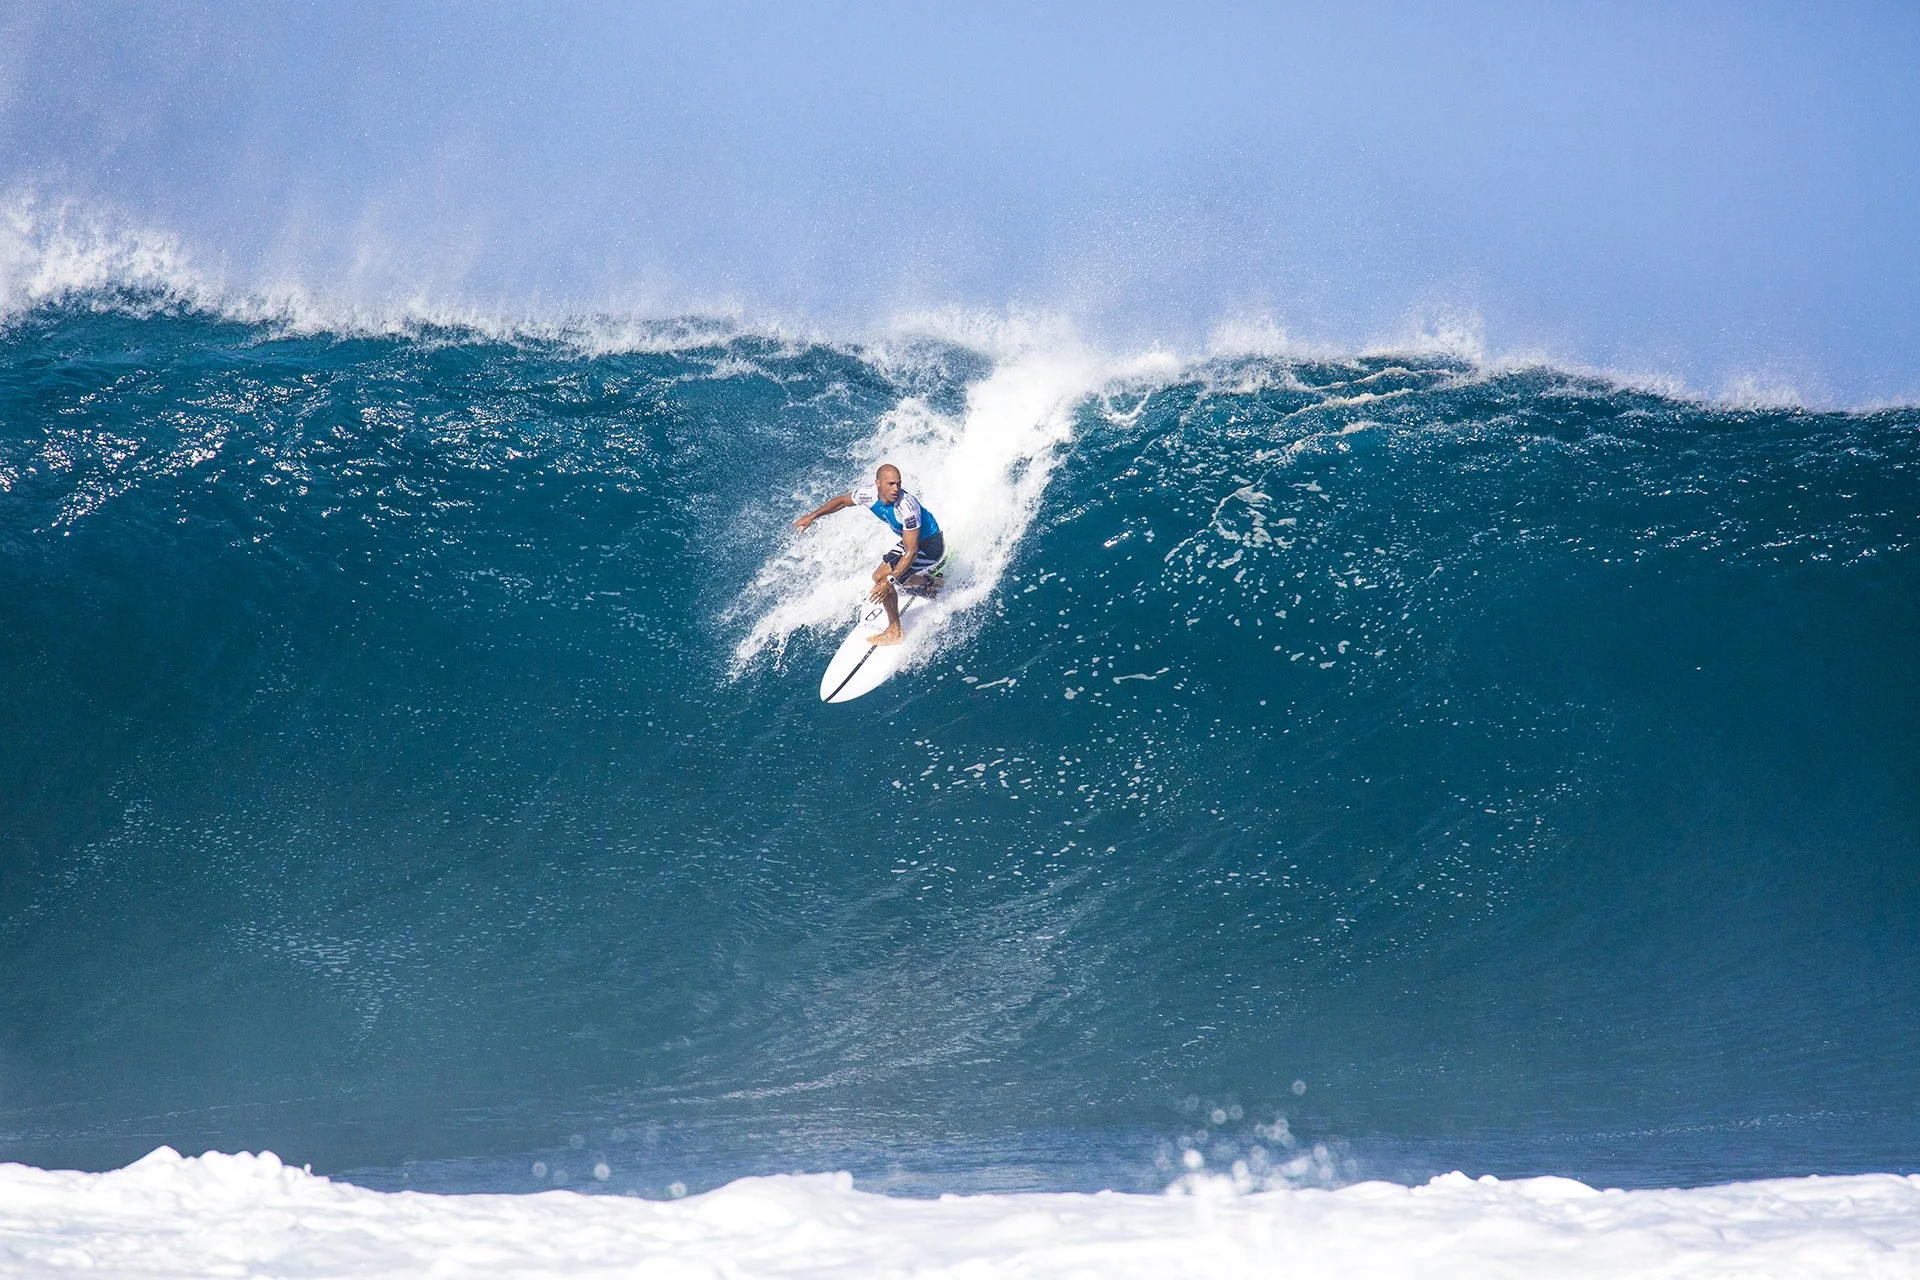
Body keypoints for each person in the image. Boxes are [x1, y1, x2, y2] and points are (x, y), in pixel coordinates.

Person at [794, 463, 945, 646]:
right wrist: (812, 516)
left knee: (883, 579)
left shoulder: (907, 507)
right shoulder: (868, 494)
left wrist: (889, 581)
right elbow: (842, 501)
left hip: (930, 547)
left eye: (898, 483)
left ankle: (895, 631)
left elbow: (911, 552)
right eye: (891, 484)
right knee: (882, 576)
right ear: (878, 483)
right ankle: (929, 582)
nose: (896, 488)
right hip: (911, 542)